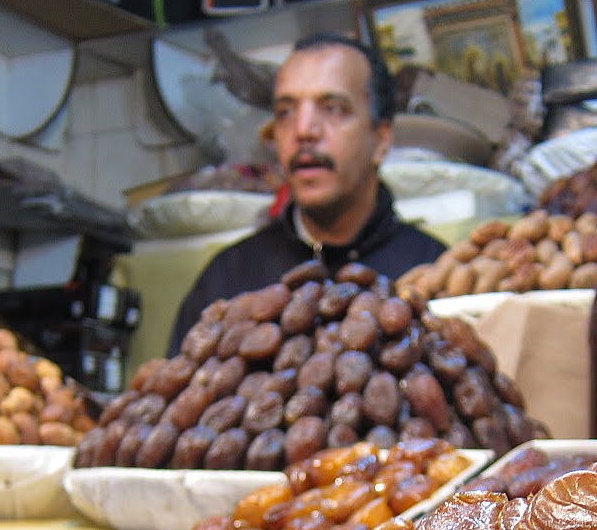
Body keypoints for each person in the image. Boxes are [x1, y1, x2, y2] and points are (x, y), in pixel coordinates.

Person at [168, 33, 446, 353]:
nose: (304, 131)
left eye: (333, 108)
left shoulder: (432, 271)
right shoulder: (228, 280)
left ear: (381, 140)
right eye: (286, 112)